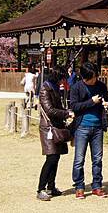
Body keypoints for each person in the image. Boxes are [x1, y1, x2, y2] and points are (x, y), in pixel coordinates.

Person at [70, 62, 108, 199]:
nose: (95, 79)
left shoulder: (101, 86)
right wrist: (91, 101)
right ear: (85, 77)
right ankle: (79, 186)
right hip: (82, 126)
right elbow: (74, 106)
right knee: (79, 159)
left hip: (98, 127)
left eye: (96, 76)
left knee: (97, 158)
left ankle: (97, 186)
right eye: (92, 77)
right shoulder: (76, 87)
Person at [37, 65, 74, 201]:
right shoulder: (45, 88)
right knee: (51, 158)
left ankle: (51, 187)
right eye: (62, 78)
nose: (63, 82)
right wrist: (66, 113)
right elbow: (50, 110)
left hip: (56, 126)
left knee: (56, 157)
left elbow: (57, 107)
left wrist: (66, 111)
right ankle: (40, 188)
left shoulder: (55, 87)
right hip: (48, 128)